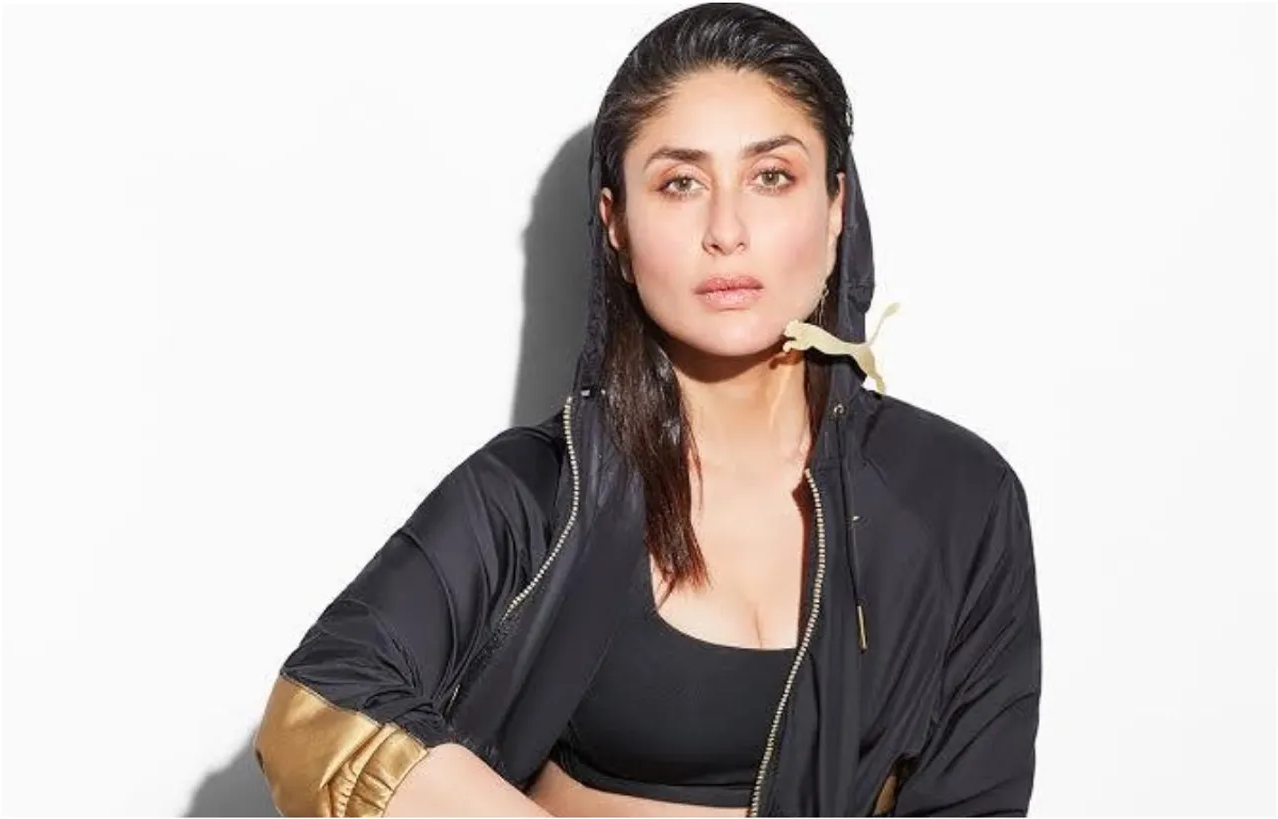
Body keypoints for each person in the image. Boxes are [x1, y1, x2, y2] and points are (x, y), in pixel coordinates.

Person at [252, 3, 1042, 816]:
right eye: (680, 183)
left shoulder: (959, 497)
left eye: (772, 176)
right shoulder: (537, 490)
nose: (726, 230)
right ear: (617, 227)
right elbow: (319, 709)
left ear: (836, 206)